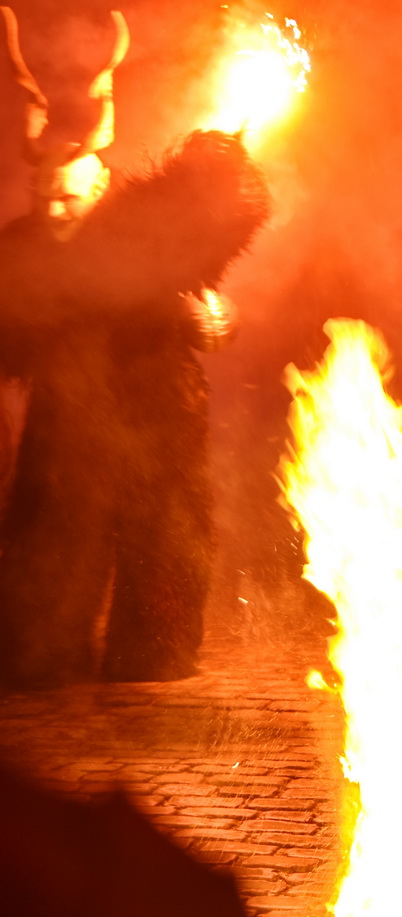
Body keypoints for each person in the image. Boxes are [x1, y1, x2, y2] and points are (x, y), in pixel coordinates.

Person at [0, 14, 269, 686]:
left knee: (166, 543)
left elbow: (208, 299)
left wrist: (214, 317)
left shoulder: (144, 228)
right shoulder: (24, 251)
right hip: (66, 433)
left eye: (64, 198)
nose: (51, 211)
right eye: (41, 198)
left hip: (157, 421)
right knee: (49, 551)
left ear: (97, 184)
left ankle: (155, 651)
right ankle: (41, 652)